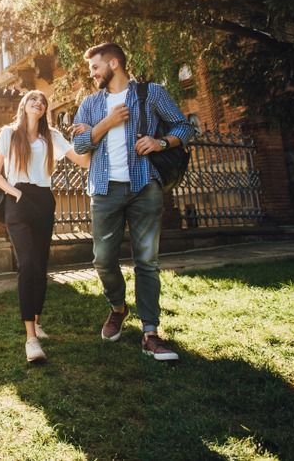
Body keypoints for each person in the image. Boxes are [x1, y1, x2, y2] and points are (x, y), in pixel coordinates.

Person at [71, 42, 193, 361]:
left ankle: (150, 332)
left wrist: (160, 141)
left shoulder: (150, 93)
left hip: (144, 186)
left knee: (147, 262)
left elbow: (184, 125)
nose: (92, 74)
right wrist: (105, 124)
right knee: (102, 259)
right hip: (104, 189)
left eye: (95, 67)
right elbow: (80, 145)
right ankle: (118, 308)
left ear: (114, 63)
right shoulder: (91, 104)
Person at [0, 90, 90, 362]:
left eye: (43, 102)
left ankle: (37, 320)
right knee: (28, 264)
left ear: (46, 109)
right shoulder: (9, 134)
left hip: (44, 200)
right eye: (33, 99)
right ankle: (30, 339)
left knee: (41, 265)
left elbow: (83, 160)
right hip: (18, 200)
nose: (38, 103)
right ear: (24, 105)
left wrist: (91, 135)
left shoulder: (51, 137)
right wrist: (15, 192)